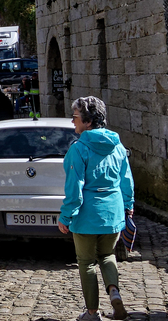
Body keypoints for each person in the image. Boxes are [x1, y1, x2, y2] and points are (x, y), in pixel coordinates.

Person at [57, 96, 134, 321]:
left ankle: (92, 312)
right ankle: (114, 291)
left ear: (88, 122)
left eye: (75, 118)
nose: (73, 122)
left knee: (87, 262)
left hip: (87, 215)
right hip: (113, 212)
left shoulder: (79, 149)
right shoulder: (117, 146)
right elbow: (126, 180)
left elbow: (74, 188)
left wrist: (65, 216)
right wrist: (128, 206)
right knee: (108, 255)